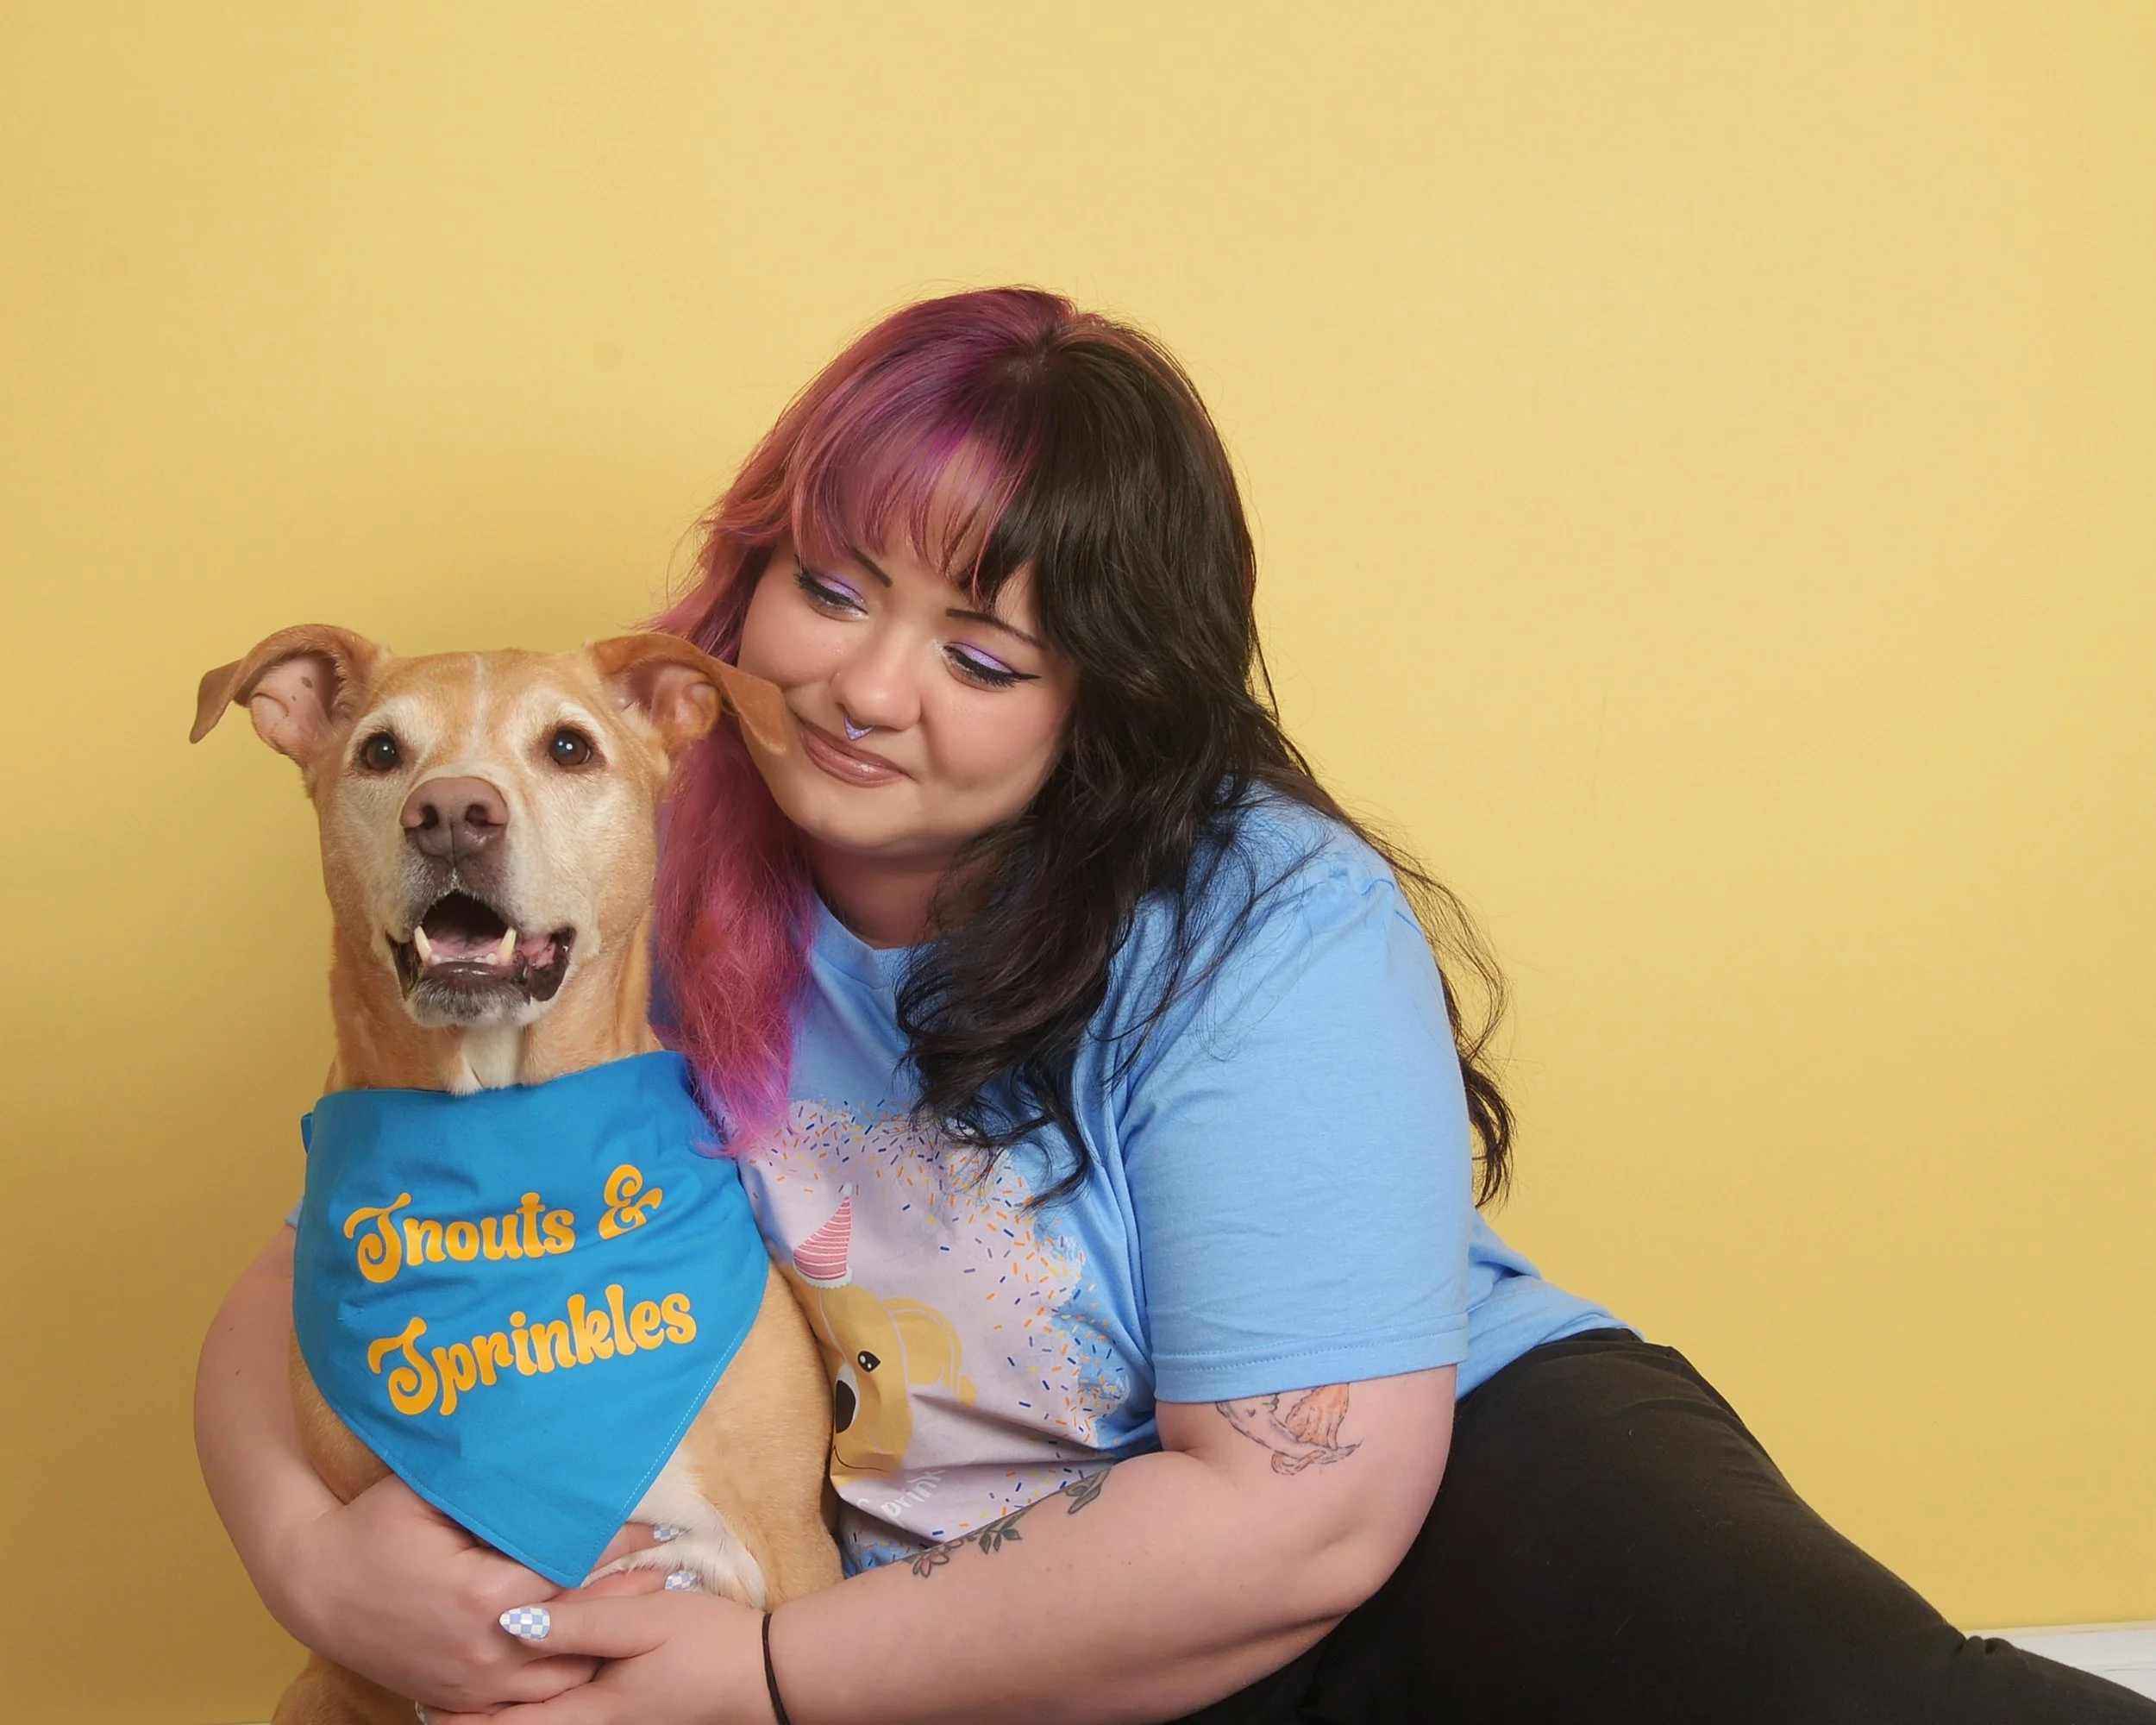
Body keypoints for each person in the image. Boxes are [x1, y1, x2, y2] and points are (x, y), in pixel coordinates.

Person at [195, 288, 2156, 1724]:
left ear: (1098, 699)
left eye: (981, 648)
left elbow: (1290, 1519)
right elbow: (347, 1257)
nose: (872, 688)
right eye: (830, 585)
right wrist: (310, 1558)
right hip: (975, 1628)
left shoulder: (1257, 918)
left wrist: (775, 1672)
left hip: (1430, 1485)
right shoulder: (606, 862)